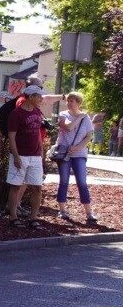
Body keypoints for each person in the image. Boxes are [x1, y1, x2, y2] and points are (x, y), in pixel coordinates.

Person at [5, 85, 46, 229]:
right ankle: (13, 217)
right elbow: (12, 136)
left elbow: (38, 134)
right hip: (20, 155)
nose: (41, 99)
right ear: (31, 96)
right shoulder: (17, 114)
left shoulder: (37, 112)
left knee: (37, 187)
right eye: (38, 96)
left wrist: (41, 151)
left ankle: (33, 218)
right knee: (15, 186)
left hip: (35, 156)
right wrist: (16, 156)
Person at [54, 92, 96, 223]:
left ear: (78, 102)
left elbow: (89, 136)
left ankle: (89, 212)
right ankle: (62, 211)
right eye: (67, 101)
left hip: (79, 154)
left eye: (72, 101)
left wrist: (78, 147)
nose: (69, 103)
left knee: (82, 182)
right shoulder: (63, 115)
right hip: (64, 153)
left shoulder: (87, 118)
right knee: (64, 181)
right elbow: (68, 127)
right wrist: (79, 117)